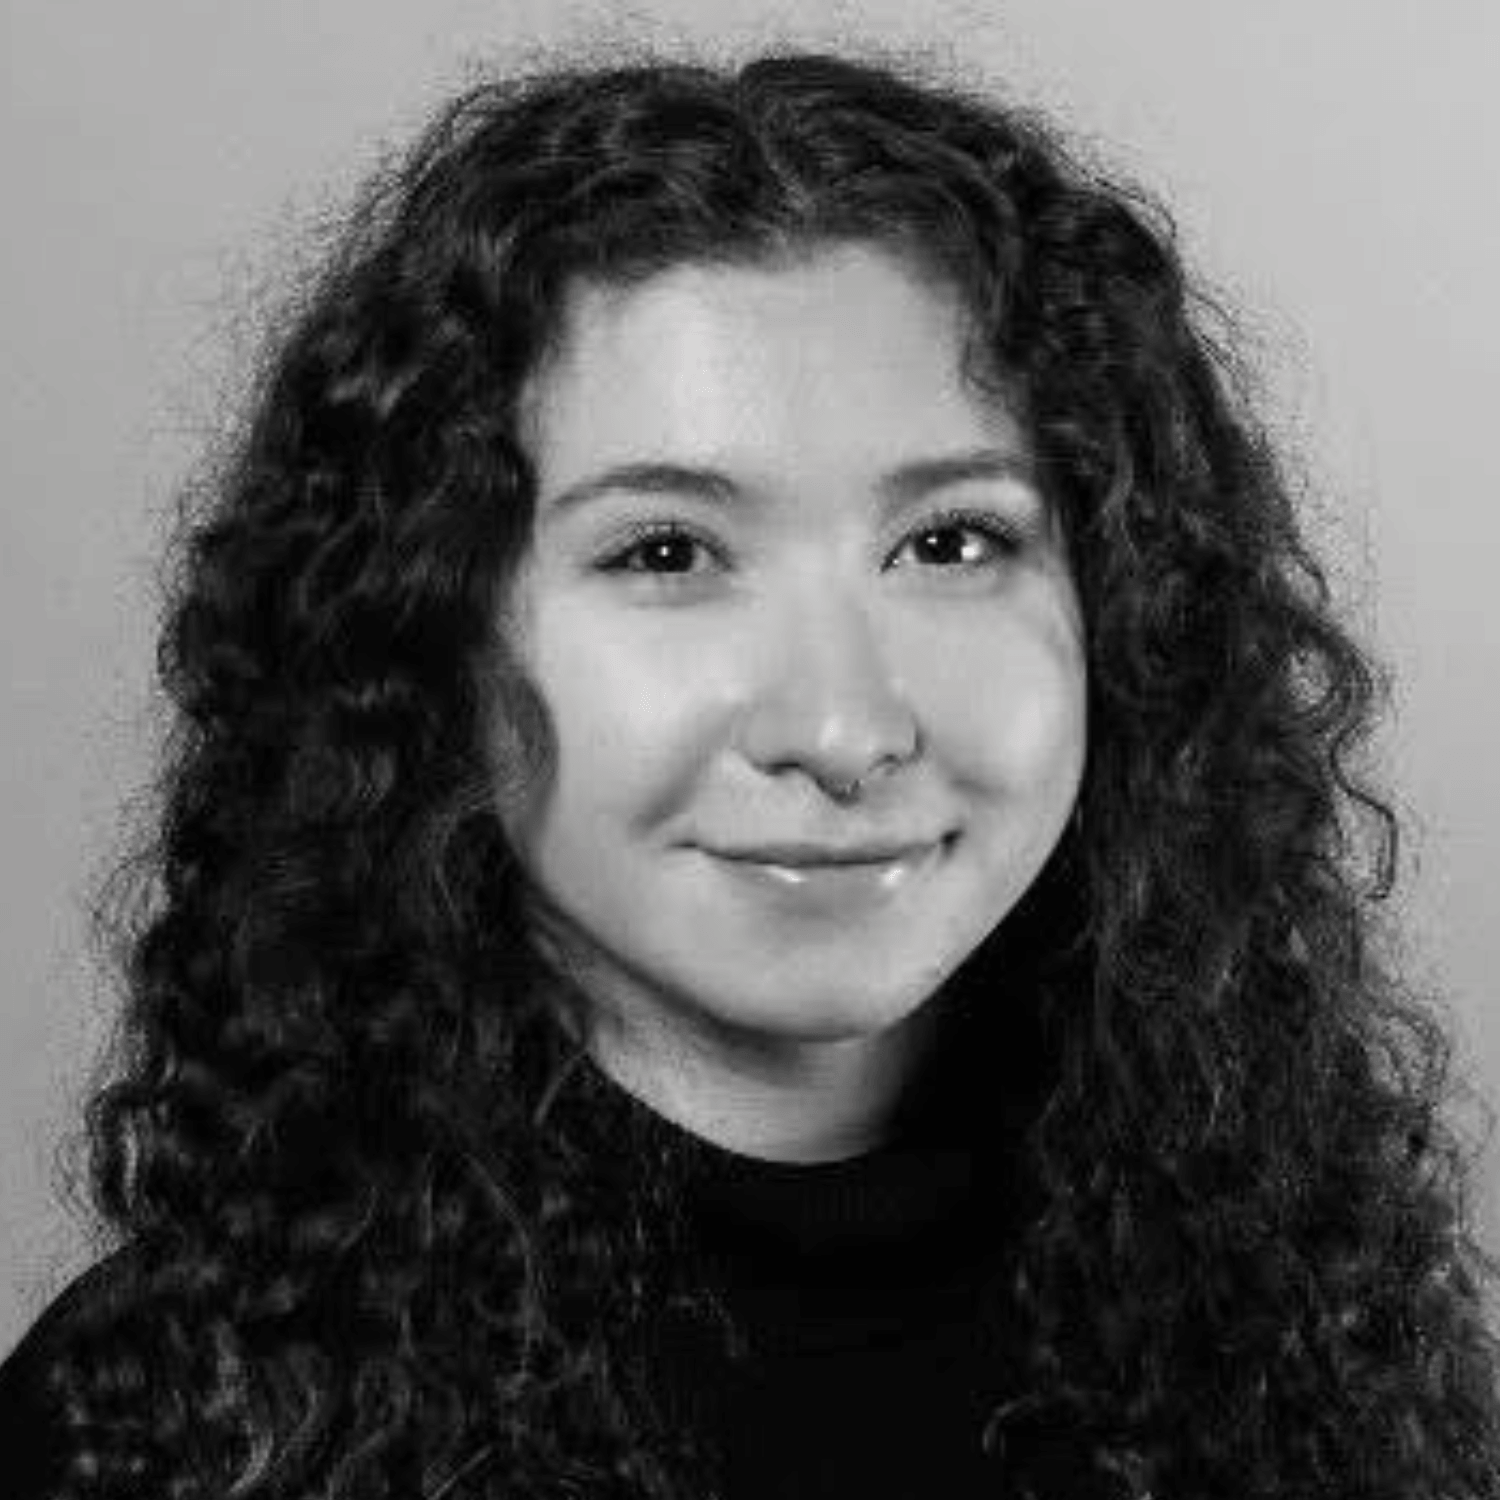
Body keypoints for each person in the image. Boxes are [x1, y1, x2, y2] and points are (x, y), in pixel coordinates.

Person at [1, 48, 1497, 1500]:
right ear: (423, 642)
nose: (843, 729)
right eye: (666, 553)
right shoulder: (180, 1433)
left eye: (952, 542)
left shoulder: (1313, 1354)